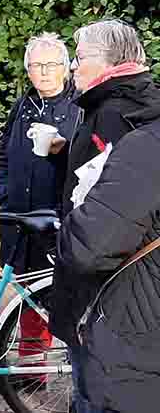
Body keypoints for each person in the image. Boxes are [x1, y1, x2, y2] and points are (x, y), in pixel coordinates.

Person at [49, 19, 160, 413]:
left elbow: (104, 226)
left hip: (106, 301)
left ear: (108, 63)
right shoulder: (135, 105)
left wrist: (68, 241)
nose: (73, 68)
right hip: (128, 300)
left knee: (91, 392)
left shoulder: (114, 115)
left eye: (79, 59)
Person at [57, 117, 160, 413]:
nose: (74, 67)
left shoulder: (149, 146)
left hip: (136, 361)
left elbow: (89, 248)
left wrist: (80, 206)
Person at [0, 34, 80, 372]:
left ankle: (73, 372)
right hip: (17, 218)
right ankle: (33, 370)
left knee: (61, 299)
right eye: (35, 66)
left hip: (56, 220)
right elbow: (3, 153)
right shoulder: (23, 105)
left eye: (50, 65)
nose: (43, 72)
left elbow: (91, 162)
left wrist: (64, 150)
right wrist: (2, 191)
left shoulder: (80, 107)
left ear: (65, 68)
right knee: (26, 297)